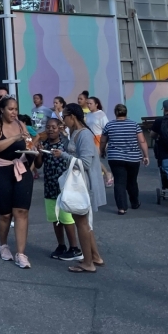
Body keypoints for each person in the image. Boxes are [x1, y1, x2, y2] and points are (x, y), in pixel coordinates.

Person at [0, 95, 34, 268]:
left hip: (21, 167)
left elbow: (28, 144)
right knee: (5, 213)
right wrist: (13, 138)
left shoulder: (21, 124)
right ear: (2, 110)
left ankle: (21, 253)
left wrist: (34, 147)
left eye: (16, 109)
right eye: (10, 109)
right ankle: (3, 244)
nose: (14, 112)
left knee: (21, 211)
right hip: (0, 169)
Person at [59, 103, 105, 273]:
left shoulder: (83, 134)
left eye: (64, 116)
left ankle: (88, 262)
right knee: (85, 223)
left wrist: (62, 155)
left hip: (83, 184)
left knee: (82, 223)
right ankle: (94, 256)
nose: (63, 120)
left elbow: (85, 163)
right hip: (81, 183)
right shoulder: (76, 132)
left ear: (72, 117)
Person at [35, 116, 82, 261]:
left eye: (53, 127)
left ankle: (74, 248)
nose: (50, 130)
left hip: (64, 186)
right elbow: (38, 165)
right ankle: (61, 245)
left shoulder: (66, 144)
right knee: (55, 218)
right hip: (49, 186)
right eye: (48, 127)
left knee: (66, 218)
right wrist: (39, 153)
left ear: (60, 128)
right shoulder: (45, 144)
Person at [101, 104, 149, 214]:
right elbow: (142, 141)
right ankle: (135, 202)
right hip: (133, 158)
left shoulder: (109, 125)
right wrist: (145, 155)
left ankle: (122, 208)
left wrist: (102, 151)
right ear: (126, 112)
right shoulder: (134, 125)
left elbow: (103, 140)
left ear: (115, 113)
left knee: (119, 182)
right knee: (132, 181)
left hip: (115, 158)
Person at [86, 96, 111, 186]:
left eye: (90, 103)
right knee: (92, 159)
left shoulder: (101, 114)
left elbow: (106, 128)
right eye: (87, 104)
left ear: (96, 104)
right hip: (89, 138)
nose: (89, 105)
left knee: (94, 159)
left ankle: (107, 174)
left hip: (99, 139)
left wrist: (105, 143)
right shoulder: (88, 115)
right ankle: (102, 176)